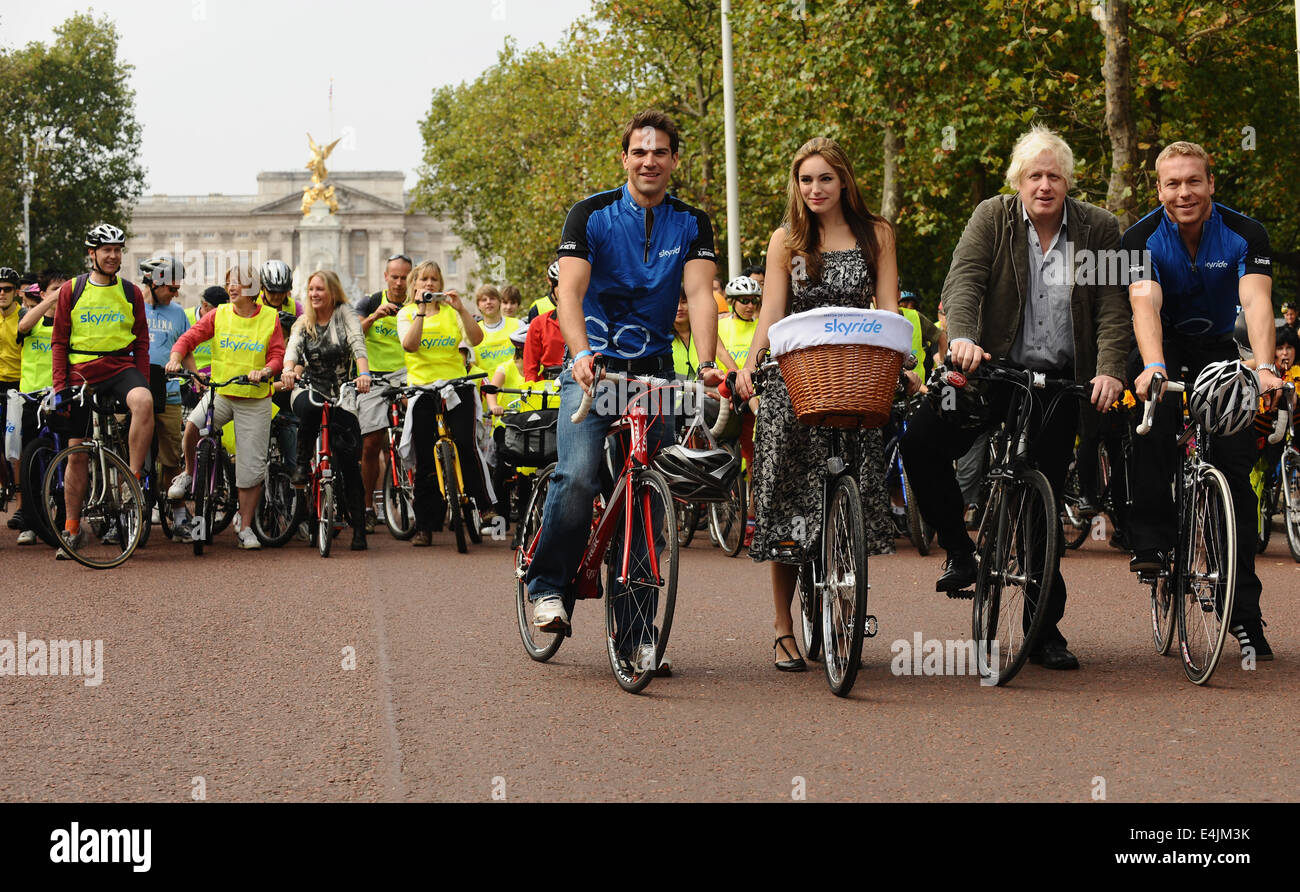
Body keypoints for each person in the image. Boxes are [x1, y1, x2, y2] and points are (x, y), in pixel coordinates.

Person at [900, 125, 1129, 671]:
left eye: (1054, 175)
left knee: (1042, 503)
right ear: (1018, 181)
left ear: (1068, 181)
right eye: (1034, 176)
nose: (1044, 185)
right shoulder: (993, 218)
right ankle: (959, 550)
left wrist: (1111, 371)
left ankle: (1044, 629)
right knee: (922, 439)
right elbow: (966, 282)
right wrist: (961, 338)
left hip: (1056, 385)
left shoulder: (1099, 228)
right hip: (989, 375)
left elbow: (1115, 306)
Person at [527, 109, 721, 676]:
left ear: (674, 161)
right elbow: (570, 292)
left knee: (644, 495)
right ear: (625, 158)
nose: (650, 160)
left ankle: (637, 635)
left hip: (654, 371)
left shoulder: (692, 222)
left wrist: (706, 364)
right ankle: (548, 587)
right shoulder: (589, 214)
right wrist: (582, 354)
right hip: (595, 369)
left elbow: (702, 293)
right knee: (581, 474)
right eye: (640, 151)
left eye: (661, 152)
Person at [734, 136, 900, 672]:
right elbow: (773, 315)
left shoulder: (878, 235)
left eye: (825, 178)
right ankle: (784, 627)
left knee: (849, 485)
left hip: (856, 374)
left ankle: (846, 603)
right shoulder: (786, 241)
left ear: (845, 180)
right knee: (786, 499)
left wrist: (908, 367)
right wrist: (748, 366)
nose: (815, 189)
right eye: (806, 180)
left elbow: (891, 311)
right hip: (797, 378)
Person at [1124, 140, 1281, 659]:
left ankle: (1246, 618)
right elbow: (1144, 302)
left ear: (1211, 183)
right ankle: (1151, 538)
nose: (1184, 192)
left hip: (1219, 347)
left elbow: (1256, 299)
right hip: (1160, 346)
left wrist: (1262, 366)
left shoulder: (1245, 233)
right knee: (1150, 413)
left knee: (1235, 473)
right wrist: (1152, 367)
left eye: (1194, 181)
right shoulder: (1139, 237)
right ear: (1159, 188)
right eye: (1173, 183)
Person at [51, 224, 155, 558]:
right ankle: (71, 527)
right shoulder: (72, 290)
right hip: (81, 371)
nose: (113, 256)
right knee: (77, 452)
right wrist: (60, 387)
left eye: (118, 250)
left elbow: (140, 340)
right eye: (106, 250)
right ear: (91, 253)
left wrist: (140, 378)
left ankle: (132, 478)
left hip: (119, 368)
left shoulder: (131, 292)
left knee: (144, 401)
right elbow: (59, 342)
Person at [167, 261, 284, 551]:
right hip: (221, 394)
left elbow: (277, 355)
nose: (232, 288)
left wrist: (267, 371)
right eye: (230, 282)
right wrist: (175, 357)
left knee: (250, 468)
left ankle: (244, 527)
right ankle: (191, 472)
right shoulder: (218, 314)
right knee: (192, 425)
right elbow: (189, 337)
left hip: (255, 399)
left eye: (240, 283)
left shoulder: (270, 317)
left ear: (253, 289)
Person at [396, 260, 491, 546]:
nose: (429, 285)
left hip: (455, 386)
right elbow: (410, 345)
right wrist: (421, 312)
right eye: (423, 280)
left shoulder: (453, 312)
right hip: (423, 389)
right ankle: (425, 525)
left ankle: (483, 503)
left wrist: (461, 308)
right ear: (415, 285)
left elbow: (476, 339)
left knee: (464, 443)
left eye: (434, 280)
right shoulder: (407, 313)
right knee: (426, 458)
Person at [279, 270, 372, 550]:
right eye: (311, 289)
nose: (314, 294)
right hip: (311, 386)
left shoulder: (345, 314)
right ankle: (302, 465)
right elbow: (293, 349)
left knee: (347, 461)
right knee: (307, 407)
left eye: (320, 289)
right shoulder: (303, 320)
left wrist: (364, 373)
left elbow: (357, 341)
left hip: (343, 390)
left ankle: (359, 530)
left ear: (332, 292)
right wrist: (287, 371)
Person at [355, 254, 412, 532]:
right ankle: (368, 505)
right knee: (371, 443)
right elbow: (354, 335)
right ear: (386, 277)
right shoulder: (370, 302)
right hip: (374, 377)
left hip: (407, 376)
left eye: (404, 277)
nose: (400, 283)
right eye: (395, 277)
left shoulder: (416, 304)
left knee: (420, 432)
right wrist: (375, 316)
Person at [139, 256, 192, 533]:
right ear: (152, 282)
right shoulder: (132, 308)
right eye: (171, 288)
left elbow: (187, 348)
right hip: (135, 390)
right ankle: (128, 513)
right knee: (129, 455)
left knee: (171, 458)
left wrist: (196, 377)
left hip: (169, 393)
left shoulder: (178, 313)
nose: (176, 293)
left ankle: (180, 514)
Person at [13, 278, 59, 544]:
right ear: (42, 293)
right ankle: (29, 523)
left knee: (64, 459)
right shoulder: (32, 319)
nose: (60, 295)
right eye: (55, 290)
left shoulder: (69, 321)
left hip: (60, 396)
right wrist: (50, 300)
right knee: (29, 461)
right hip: (30, 397)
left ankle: (65, 521)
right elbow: (23, 326)